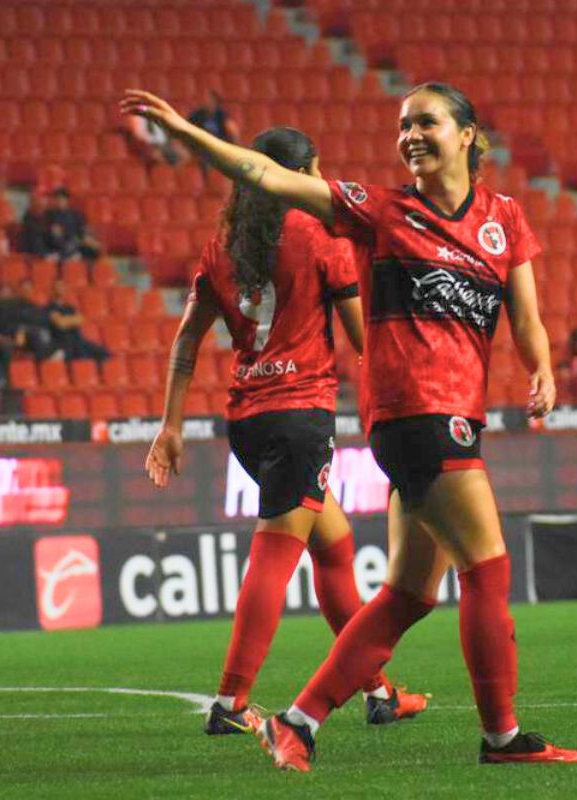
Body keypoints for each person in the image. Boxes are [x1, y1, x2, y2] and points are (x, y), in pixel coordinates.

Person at [123, 82, 577, 769]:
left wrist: (541, 368)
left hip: (448, 413)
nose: (411, 135)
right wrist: (187, 134)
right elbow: (261, 173)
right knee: (487, 570)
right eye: (403, 126)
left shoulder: (505, 218)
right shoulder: (381, 210)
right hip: (416, 412)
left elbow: (527, 314)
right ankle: (503, 737)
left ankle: (299, 721)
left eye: (426, 122)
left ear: (467, 134)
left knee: (408, 594)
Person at [146, 126, 428, 738]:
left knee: (335, 545)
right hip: (301, 416)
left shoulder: (223, 245)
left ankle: (378, 690)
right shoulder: (320, 234)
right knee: (275, 556)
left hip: (249, 420)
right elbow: (362, 337)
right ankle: (231, 700)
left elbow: (189, 338)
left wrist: (170, 424)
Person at [0, 282, 60, 367]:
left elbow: (33, 318)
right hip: (4, 338)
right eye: (3, 292)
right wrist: (3, 339)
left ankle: (44, 368)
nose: (6, 294)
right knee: (6, 348)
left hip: (25, 335)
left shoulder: (20, 305)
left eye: (8, 292)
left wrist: (22, 330)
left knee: (41, 334)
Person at [44, 279, 110, 362]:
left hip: (79, 341)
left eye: (62, 286)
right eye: (57, 286)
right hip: (63, 344)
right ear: (52, 289)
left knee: (104, 353)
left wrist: (66, 320)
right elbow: (61, 323)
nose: (60, 288)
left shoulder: (70, 307)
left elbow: (81, 320)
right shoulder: (49, 308)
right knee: (82, 358)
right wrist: (72, 320)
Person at [42, 188, 102, 263]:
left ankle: (73, 256)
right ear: (54, 200)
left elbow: (83, 231)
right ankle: (69, 256)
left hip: (74, 245)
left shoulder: (75, 215)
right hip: (56, 247)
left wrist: (88, 238)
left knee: (93, 249)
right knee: (57, 238)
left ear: (67, 200)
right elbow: (48, 236)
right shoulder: (49, 215)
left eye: (62, 199)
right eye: (57, 199)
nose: (60, 201)